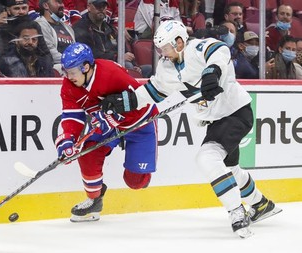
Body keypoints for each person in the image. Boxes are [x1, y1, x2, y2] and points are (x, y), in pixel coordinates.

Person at [100, 20, 282, 238]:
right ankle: (261, 204)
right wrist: (124, 101)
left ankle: (236, 212)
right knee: (229, 168)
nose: (162, 53)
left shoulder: (197, 48)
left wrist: (211, 73)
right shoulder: (167, 68)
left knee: (207, 158)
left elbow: (220, 50)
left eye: (165, 47)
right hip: (216, 121)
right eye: (160, 49)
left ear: (179, 42)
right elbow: (151, 93)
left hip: (235, 112)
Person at [56, 42, 158, 222]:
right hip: (110, 125)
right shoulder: (69, 86)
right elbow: (72, 116)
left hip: (139, 122)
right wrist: (68, 141)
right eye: (66, 71)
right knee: (87, 151)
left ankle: (140, 173)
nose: (68, 76)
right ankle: (94, 200)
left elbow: (140, 102)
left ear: (86, 67)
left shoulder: (111, 73)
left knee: (135, 182)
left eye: (72, 72)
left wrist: (115, 115)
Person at [73, 0, 151, 78]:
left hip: (116, 65)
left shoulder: (111, 29)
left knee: (149, 69)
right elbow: (91, 54)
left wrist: (135, 66)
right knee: (127, 65)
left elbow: (124, 50)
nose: (101, 9)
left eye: (103, 6)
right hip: (97, 68)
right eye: (97, 6)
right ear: (89, 7)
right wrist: (116, 57)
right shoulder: (80, 28)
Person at [36, 0, 75, 75]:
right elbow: (50, 53)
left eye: (62, 2)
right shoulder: (39, 25)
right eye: (58, 2)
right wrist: (73, 60)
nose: (62, 5)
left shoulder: (68, 28)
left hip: (72, 66)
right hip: (53, 68)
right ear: (46, 5)